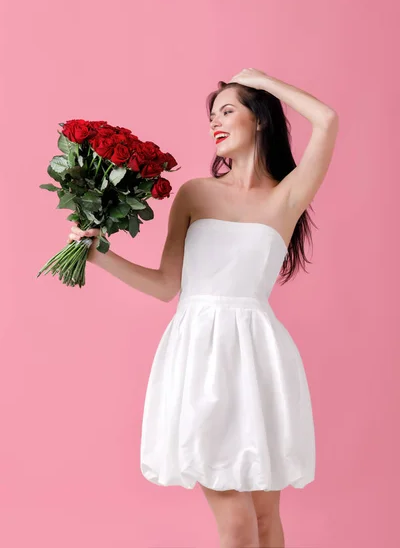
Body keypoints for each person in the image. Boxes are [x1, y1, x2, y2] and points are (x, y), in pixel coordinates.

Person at [68, 68, 339, 548]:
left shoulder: (286, 196)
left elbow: (328, 119)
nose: (215, 122)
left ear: (259, 120)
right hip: (199, 356)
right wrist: (100, 255)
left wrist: (263, 81)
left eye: (228, 110)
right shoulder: (195, 193)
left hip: (259, 359)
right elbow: (165, 286)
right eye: (211, 115)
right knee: (236, 526)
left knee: (264, 521)